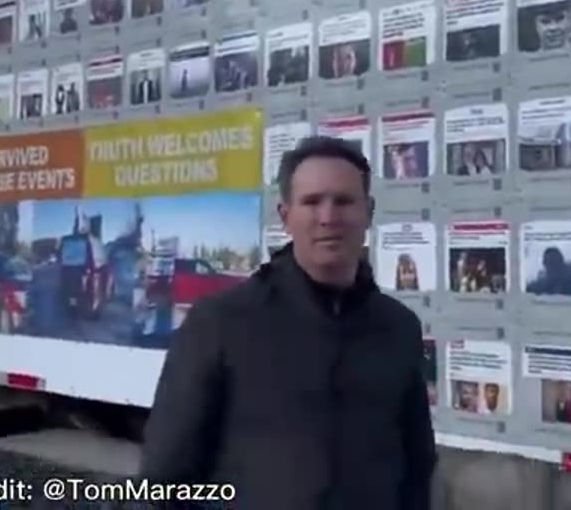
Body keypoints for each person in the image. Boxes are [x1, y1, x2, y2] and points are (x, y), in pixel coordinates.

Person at [140, 136, 436, 509]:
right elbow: (165, 479)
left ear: (369, 211)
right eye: (312, 202)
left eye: (343, 201)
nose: (328, 217)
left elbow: (417, 465)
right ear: (286, 216)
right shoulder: (221, 322)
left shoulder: (399, 328)